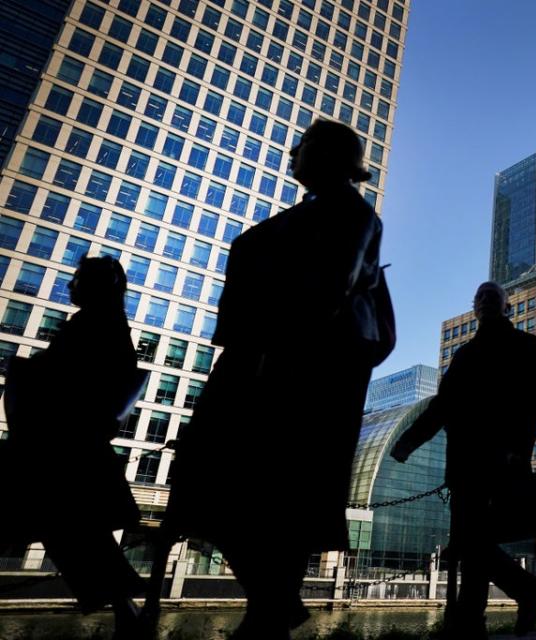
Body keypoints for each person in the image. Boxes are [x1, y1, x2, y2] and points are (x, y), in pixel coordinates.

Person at [167, 120, 386, 639]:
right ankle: (274, 603)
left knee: (275, 491)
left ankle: (269, 610)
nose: (293, 154)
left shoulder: (353, 214)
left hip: (298, 368)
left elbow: (331, 286)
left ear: (331, 154)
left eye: (303, 146)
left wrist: (276, 352)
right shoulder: (308, 214)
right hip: (259, 359)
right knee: (217, 485)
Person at [390, 282, 536, 639]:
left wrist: (518, 451)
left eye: (494, 296)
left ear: (507, 306)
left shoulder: (527, 346)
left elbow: (532, 405)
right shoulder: (464, 354)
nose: (486, 300)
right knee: (472, 541)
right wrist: (409, 441)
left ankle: (511, 596)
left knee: (471, 541)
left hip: (501, 460)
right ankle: (477, 618)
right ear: (474, 308)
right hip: (463, 463)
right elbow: (442, 405)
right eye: (481, 297)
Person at [0, 256, 144, 638]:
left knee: (66, 524)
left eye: (78, 278)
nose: (70, 285)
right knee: (75, 528)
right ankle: (125, 609)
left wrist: (28, 373)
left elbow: (60, 379)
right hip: (70, 447)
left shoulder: (91, 326)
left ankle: (125, 608)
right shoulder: (110, 325)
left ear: (96, 286)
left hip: (58, 447)